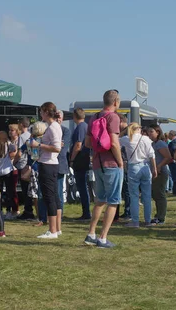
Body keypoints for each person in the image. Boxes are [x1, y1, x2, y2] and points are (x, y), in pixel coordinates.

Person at [83, 89, 124, 249]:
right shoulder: (113, 117)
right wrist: (120, 162)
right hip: (111, 164)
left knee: (100, 200)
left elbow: (87, 143)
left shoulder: (94, 117)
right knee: (113, 201)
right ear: (115, 102)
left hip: (97, 164)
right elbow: (114, 142)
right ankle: (103, 238)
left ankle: (91, 233)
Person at [30, 102, 63, 239]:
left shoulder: (53, 127)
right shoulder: (53, 126)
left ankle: (52, 230)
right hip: (50, 163)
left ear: (46, 112)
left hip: (48, 164)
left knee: (49, 197)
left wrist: (39, 144)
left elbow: (57, 148)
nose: (40, 114)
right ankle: (57, 228)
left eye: (41, 112)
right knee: (54, 196)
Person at [120, 123, 157, 228]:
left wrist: (124, 130)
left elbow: (116, 139)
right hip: (145, 166)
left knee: (134, 196)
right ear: (139, 129)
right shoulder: (145, 139)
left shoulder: (127, 139)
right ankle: (148, 220)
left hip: (134, 167)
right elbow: (151, 155)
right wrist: (154, 169)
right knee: (147, 196)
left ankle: (135, 221)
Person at [69, 108, 92, 221]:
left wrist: (72, 159)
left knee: (82, 186)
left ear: (75, 116)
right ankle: (86, 212)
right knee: (83, 186)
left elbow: (78, 145)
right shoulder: (85, 126)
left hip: (80, 160)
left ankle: (86, 212)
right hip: (84, 159)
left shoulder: (81, 127)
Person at [147, 124, 171, 224]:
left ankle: (161, 217)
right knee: (155, 194)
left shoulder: (160, 143)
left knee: (159, 194)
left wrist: (159, 166)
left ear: (158, 132)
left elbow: (168, 157)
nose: (149, 134)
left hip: (161, 172)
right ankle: (158, 215)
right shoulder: (153, 143)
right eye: (148, 132)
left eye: (151, 132)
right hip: (155, 171)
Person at [16, 117, 36, 220]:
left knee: (25, 190)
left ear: (21, 124)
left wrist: (14, 162)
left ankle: (28, 211)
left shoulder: (22, 137)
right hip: (30, 164)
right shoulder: (30, 136)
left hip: (23, 165)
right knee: (31, 188)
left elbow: (20, 152)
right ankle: (30, 210)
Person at [115, 113, 131, 221]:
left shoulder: (126, 135)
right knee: (125, 189)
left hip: (125, 164)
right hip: (125, 164)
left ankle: (128, 212)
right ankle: (127, 211)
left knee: (126, 189)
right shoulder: (127, 133)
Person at [56, 110, 71, 217]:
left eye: (59, 117)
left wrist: (51, 146)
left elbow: (62, 150)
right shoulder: (48, 130)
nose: (58, 119)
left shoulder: (65, 131)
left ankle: (59, 215)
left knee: (59, 191)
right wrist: (56, 145)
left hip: (60, 165)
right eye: (56, 117)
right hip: (48, 164)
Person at [168, 130, 176, 195]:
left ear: (171, 135)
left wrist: (173, 158)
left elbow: (173, 150)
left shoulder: (173, 143)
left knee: (174, 177)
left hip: (173, 161)